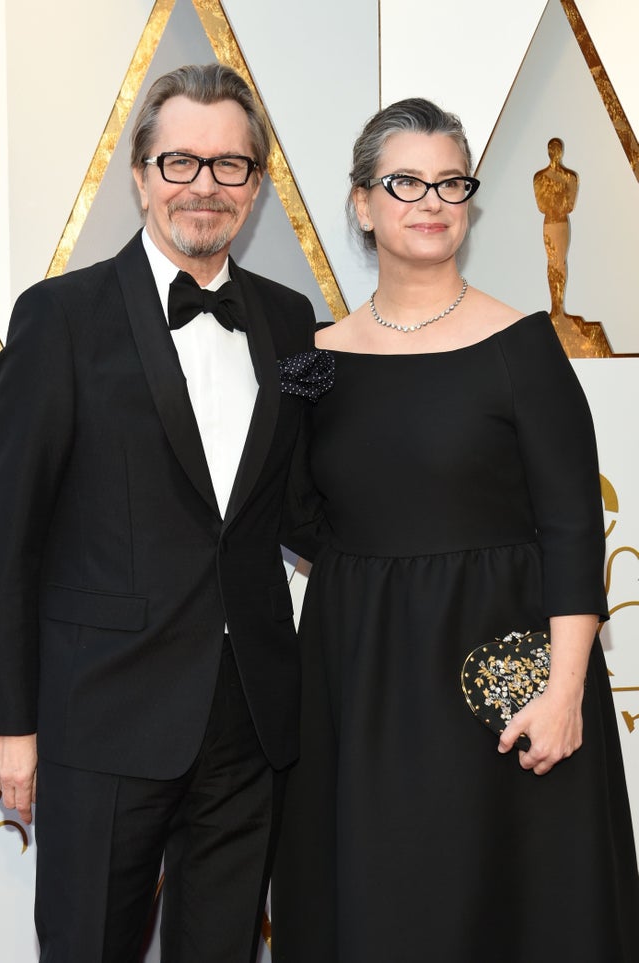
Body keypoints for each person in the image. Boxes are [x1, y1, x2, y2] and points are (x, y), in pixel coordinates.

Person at [272, 97, 639, 962]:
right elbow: (291, 509)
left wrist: (565, 694)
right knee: (383, 901)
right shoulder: (311, 358)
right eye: (405, 182)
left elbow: (571, 528)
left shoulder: (523, 344)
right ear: (362, 203)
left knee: (507, 906)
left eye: (450, 182)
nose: (431, 200)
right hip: (363, 683)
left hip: (504, 683)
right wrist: (379, 586)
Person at [0, 62, 321, 963]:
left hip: (248, 725)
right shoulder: (59, 317)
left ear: (256, 185)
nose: (204, 186)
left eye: (229, 166)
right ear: (140, 174)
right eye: (180, 162)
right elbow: (7, 536)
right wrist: (9, 722)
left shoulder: (293, 322)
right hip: (102, 716)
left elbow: (312, 498)